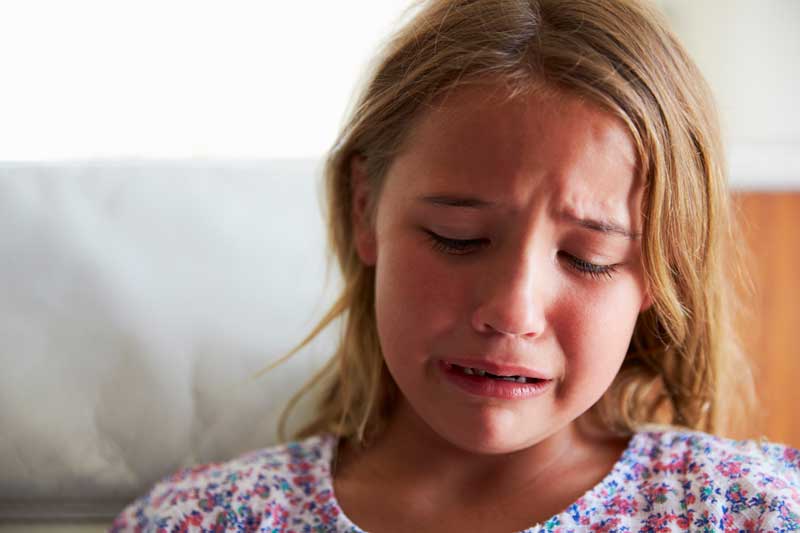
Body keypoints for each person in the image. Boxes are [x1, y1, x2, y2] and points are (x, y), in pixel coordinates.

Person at [111, 0, 800, 531]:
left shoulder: (747, 509)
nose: (511, 310)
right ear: (364, 208)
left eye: (587, 258)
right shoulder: (206, 518)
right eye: (457, 236)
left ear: (657, 268)